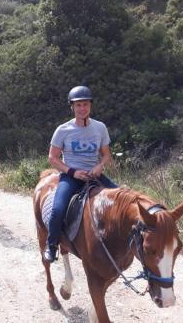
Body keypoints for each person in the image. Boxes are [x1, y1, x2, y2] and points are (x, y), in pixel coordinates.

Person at [44, 86, 118, 263]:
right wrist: (72, 172)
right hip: (71, 176)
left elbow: (107, 154)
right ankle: (52, 245)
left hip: (95, 175)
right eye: (78, 105)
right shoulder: (63, 130)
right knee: (58, 209)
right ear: (72, 107)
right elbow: (52, 158)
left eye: (85, 104)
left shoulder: (99, 128)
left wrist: (100, 166)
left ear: (90, 105)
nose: (82, 108)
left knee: (124, 200)